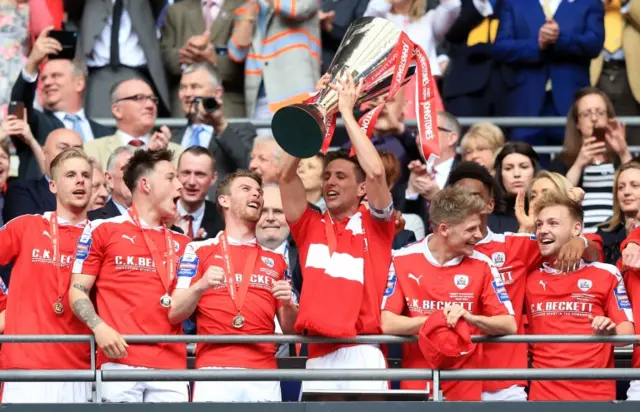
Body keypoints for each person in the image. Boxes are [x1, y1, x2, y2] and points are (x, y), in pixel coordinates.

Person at [278, 73, 395, 394]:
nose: (330, 182)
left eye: (341, 176)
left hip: (364, 348)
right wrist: (315, 111)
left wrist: (346, 112)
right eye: (327, 176)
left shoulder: (377, 224)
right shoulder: (309, 225)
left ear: (361, 188)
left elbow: (375, 171)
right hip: (317, 352)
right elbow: (285, 175)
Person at [446, 162, 599, 401]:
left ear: (490, 204)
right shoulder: (438, 251)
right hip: (453, 380)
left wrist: (582, 241)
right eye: (460, 197)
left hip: (506, 384)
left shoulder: (514, 246)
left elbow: (576, 244)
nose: (467, 203)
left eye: (474, 196)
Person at [69, 149, 191, 403]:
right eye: (171, 178)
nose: (180, 185)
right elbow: (76, 290)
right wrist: (98, 327)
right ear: (145, 184)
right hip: (119, 362)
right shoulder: (102, 229)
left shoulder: (185, 243)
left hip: (172, 366)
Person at [381, 185, 517, 401]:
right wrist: (437, 320)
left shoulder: (483, 264)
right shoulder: (402, 258)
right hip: (417, 381)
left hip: (466, 384)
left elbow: (509, 324)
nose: (479, 235)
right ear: (444, 229)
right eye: (471, 229)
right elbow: (387, 323)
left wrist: (469, 318)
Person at [171, 170, 297, 402]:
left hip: (264, 372)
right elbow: (175, 312)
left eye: (259, 192)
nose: (257, 196)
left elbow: (290, 329)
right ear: (224, 200)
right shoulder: (198, 250)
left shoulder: (278, 259)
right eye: (246, 189)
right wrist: (200, 286)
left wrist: (289, 303)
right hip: (214, 370)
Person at [0, 148, 94, 403]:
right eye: (71, 175)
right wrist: (2, 306)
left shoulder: (101, 236)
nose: (80, 181)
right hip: (24, 367)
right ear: (52, 185)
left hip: (79, 369)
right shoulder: (26, 226)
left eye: (86, 175)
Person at [526, 191, 634, 401]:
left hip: (596, 397)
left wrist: (609, 333)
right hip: (542, 398)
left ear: (576, 228)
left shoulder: (605, 273)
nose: (543, 230)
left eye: (553, 223)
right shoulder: (528, 277)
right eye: (539, 225)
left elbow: (627, 332)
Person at [549, 88, 632, 229]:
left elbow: (636, 187)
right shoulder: (562, 162)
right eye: (586, 114)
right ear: (577, 123)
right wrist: (579, 164)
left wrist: (623, 152)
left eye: (600, 113)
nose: (594, 118)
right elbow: (556, 201)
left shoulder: (620, 159)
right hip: (579, 237)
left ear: (608, 118)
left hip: (617, 235)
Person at [3, 128, 83, 223]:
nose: (70, 154)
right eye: (63, 148)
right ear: (44, 153)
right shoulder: (22, 190)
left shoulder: (95, 191)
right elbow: (26, 228)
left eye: (77, 149)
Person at [174, 146, 224, 240]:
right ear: (177, 174)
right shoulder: (160, 215)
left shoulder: (223, 220)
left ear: (213, 178)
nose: (191, 182)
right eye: (186, 173)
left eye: (200, 174)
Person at [87, 146, 135, 220]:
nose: (135, 175)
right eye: (127, 169)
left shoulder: (155, 218)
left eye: (139, 170)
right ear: (110, 179)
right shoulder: (93, 221)